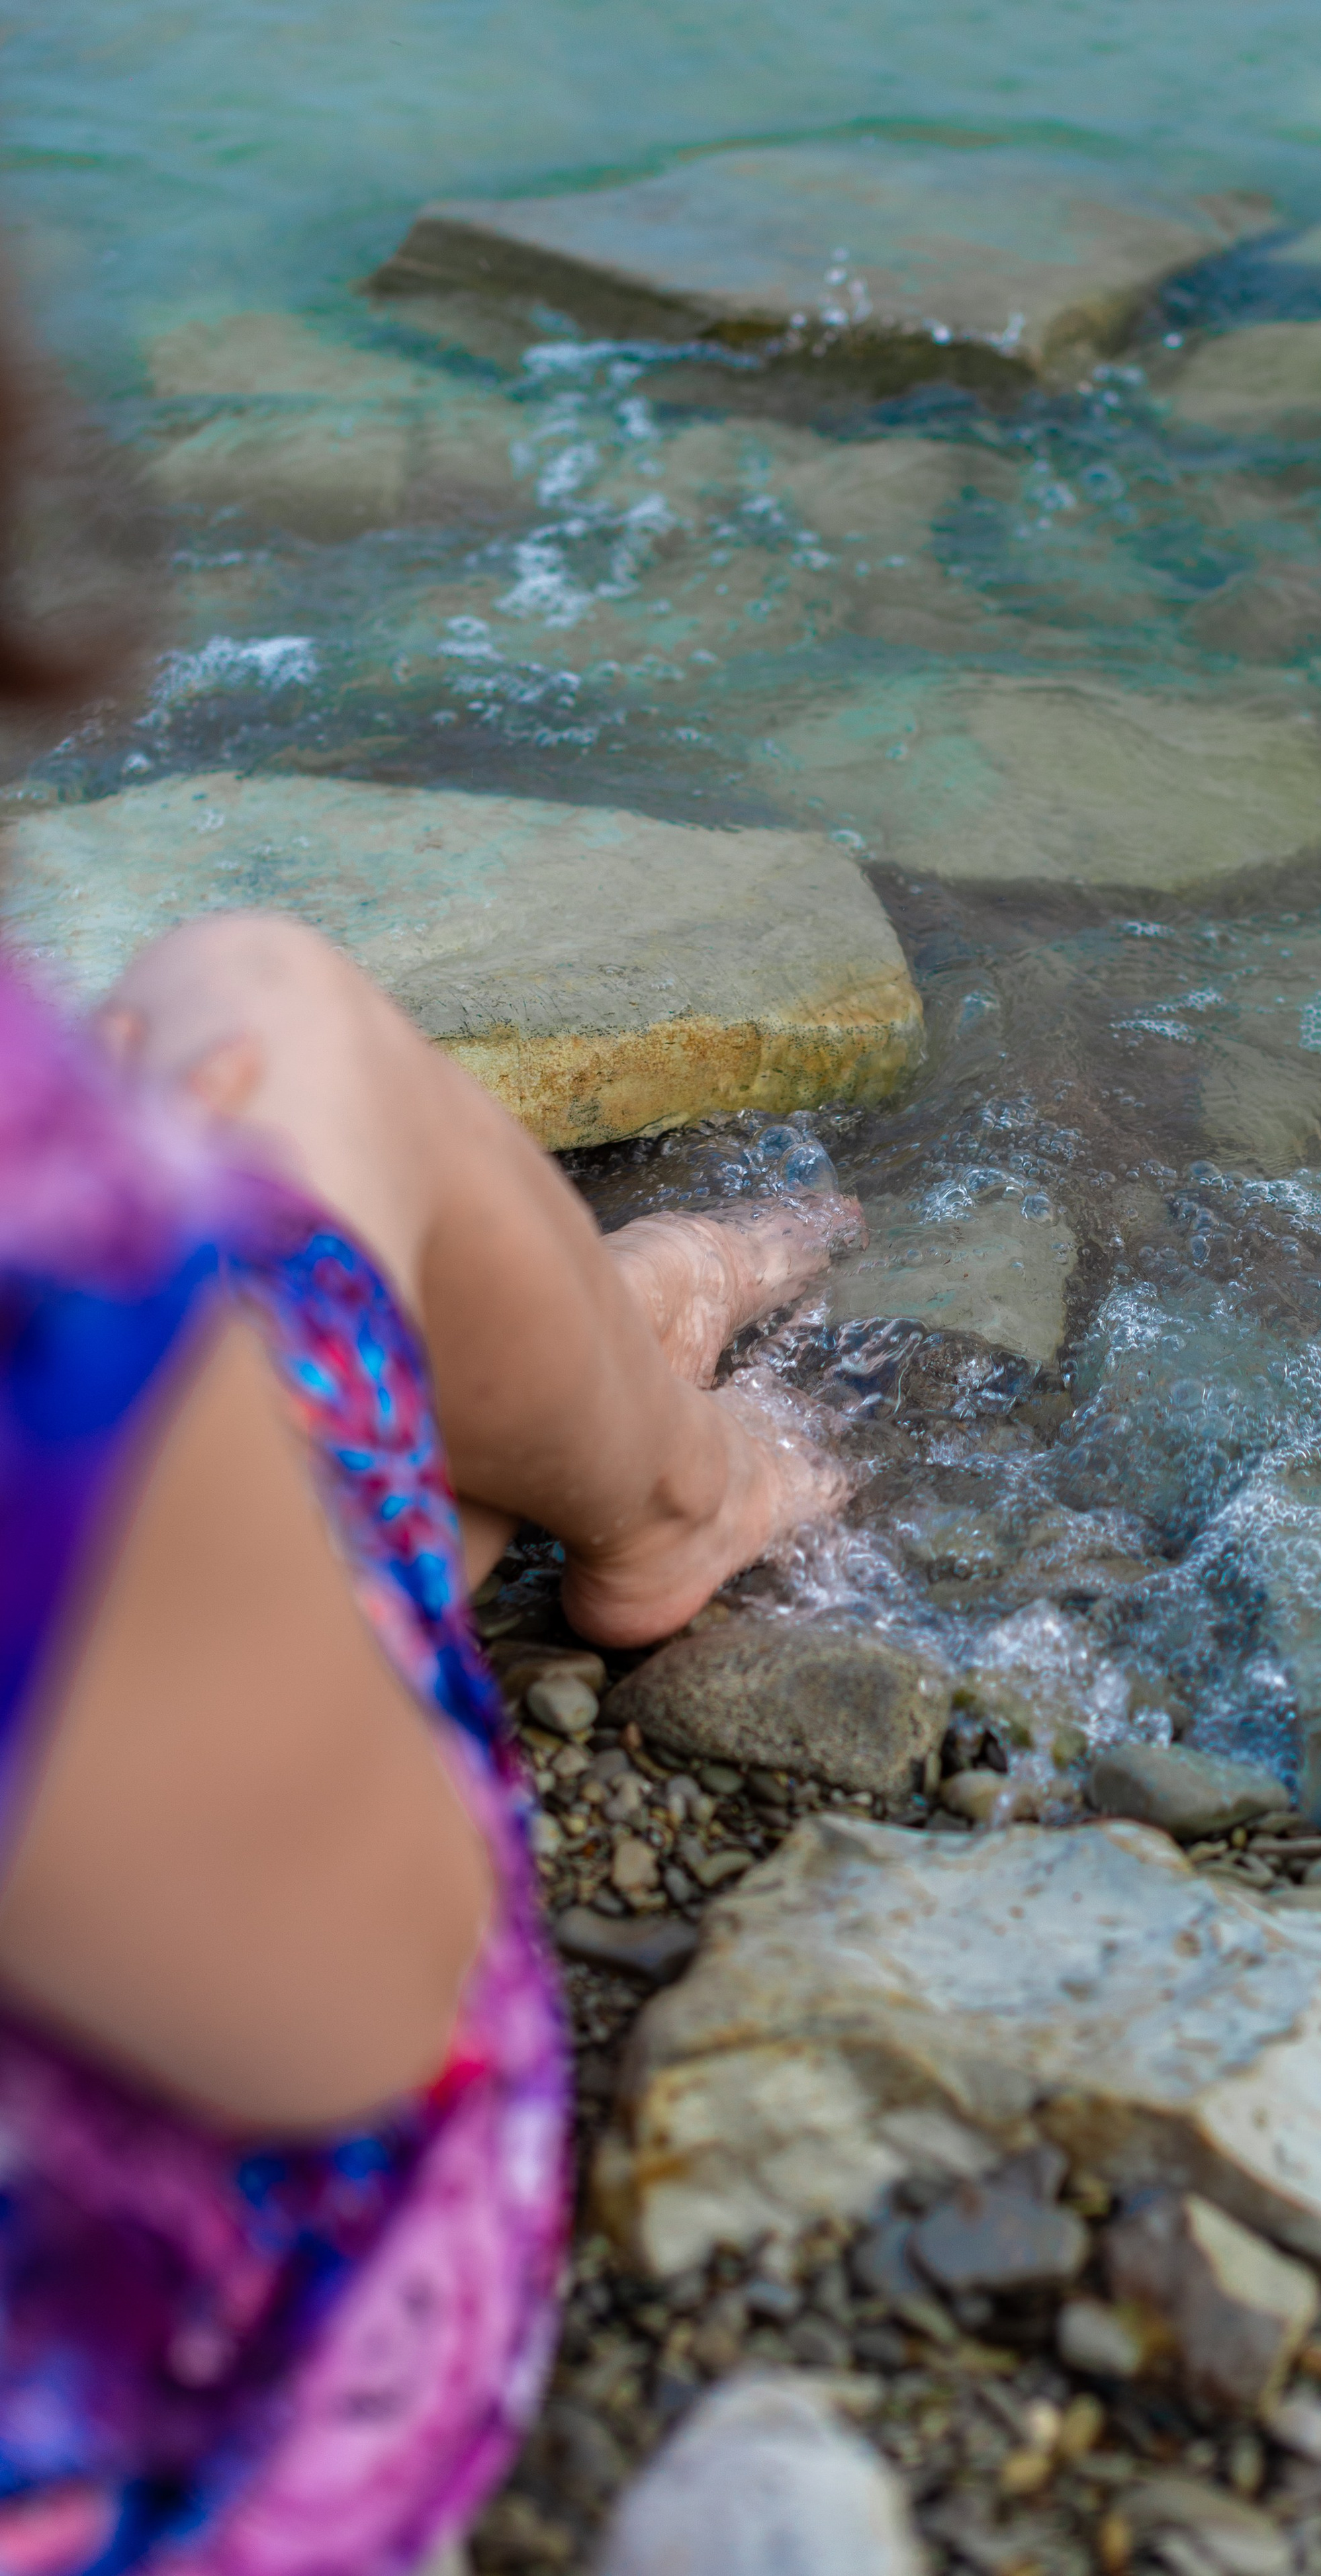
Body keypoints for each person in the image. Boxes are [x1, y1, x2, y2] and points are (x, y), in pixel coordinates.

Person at [0, 281, 856, 2576]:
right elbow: (359, 1991)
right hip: (181, 2429)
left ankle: (543, 1384)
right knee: (264, 1010)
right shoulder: (32, 1282)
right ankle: (676, 1482)